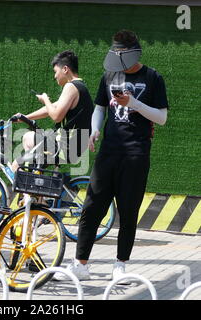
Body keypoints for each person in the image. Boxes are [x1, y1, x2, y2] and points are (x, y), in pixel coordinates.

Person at [54, 30, 169, 282]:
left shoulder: (153, 78)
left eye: (120, 53)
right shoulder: (109, 76)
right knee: (92, 207)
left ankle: (120, 265)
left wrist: (134, 104)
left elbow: (161, 118)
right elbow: (100, 108)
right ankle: (80, 264)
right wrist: (95, 129)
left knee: (128, 211)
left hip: (136, 154)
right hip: (108, 152)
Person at [11, 50, 94, 170]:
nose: (55, 76)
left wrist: (45, 99)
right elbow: (50, 109)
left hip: (66, 145)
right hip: (75, 147)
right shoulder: (81, 86)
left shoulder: (71, 86)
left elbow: (56, 116)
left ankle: (29, 175)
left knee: (26, 142)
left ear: (65, 69)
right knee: (30, 154)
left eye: (56, 72)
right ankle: (35, 173)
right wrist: (25, 117)